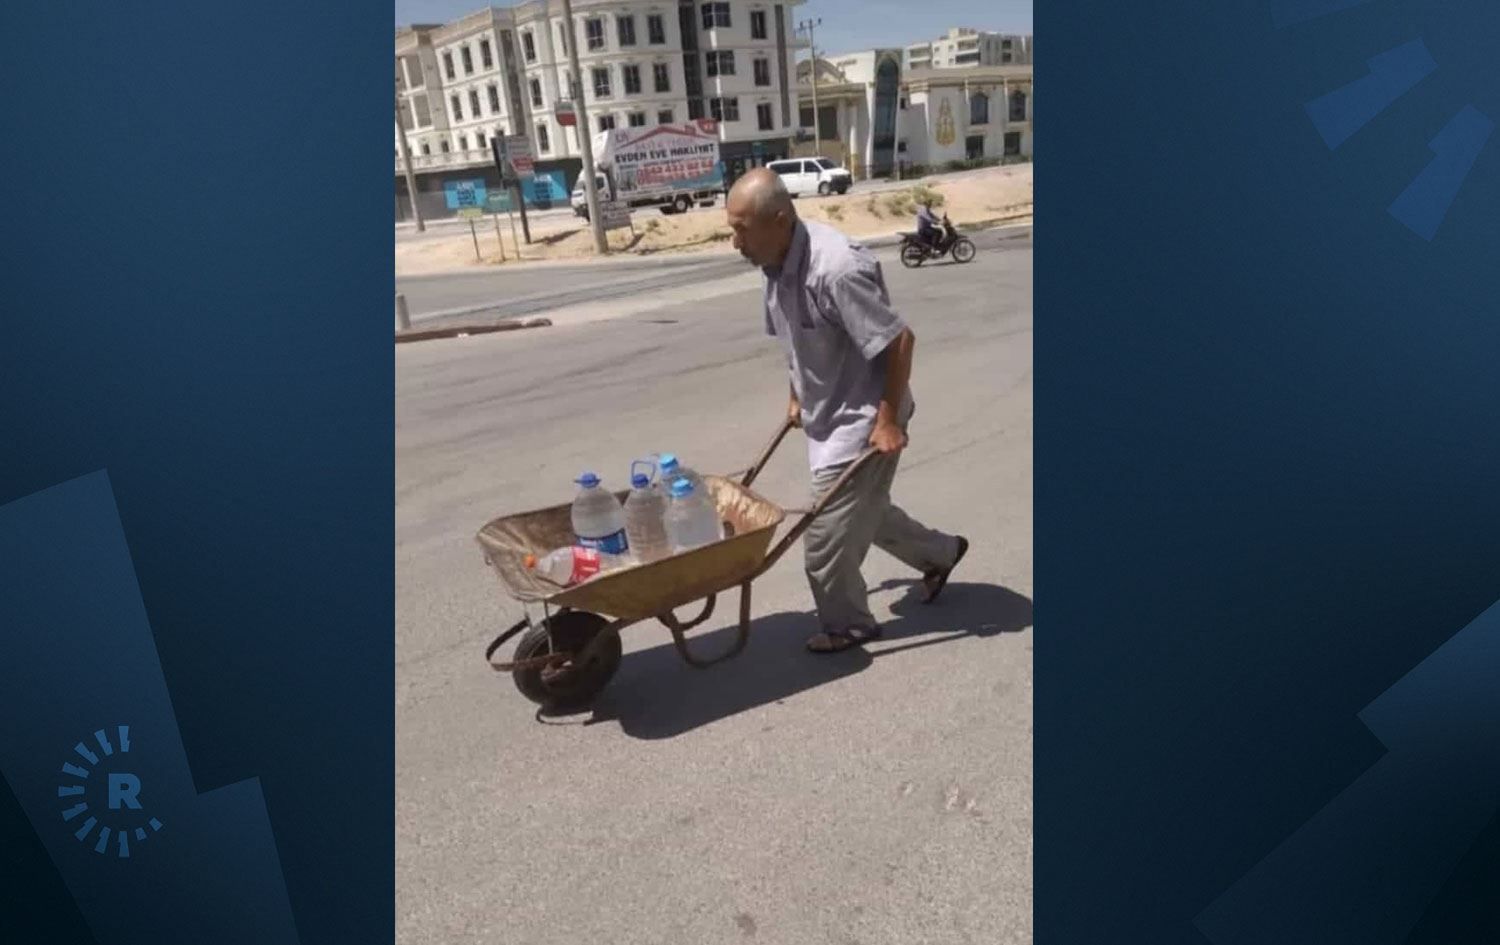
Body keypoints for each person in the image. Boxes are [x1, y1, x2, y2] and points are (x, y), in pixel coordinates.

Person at [725, 168, 969, 653]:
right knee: (864, 512)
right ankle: (941, 553)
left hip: (865, 420)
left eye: (742, 230)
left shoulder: (836, 269)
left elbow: (899, 341)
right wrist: (797, 395)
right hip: (826, 412)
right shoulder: (774, 264)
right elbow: (796, 341)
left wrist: (888, 421)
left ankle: (849, 625)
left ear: (779, 219)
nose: (735, 243)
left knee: (824, 543)